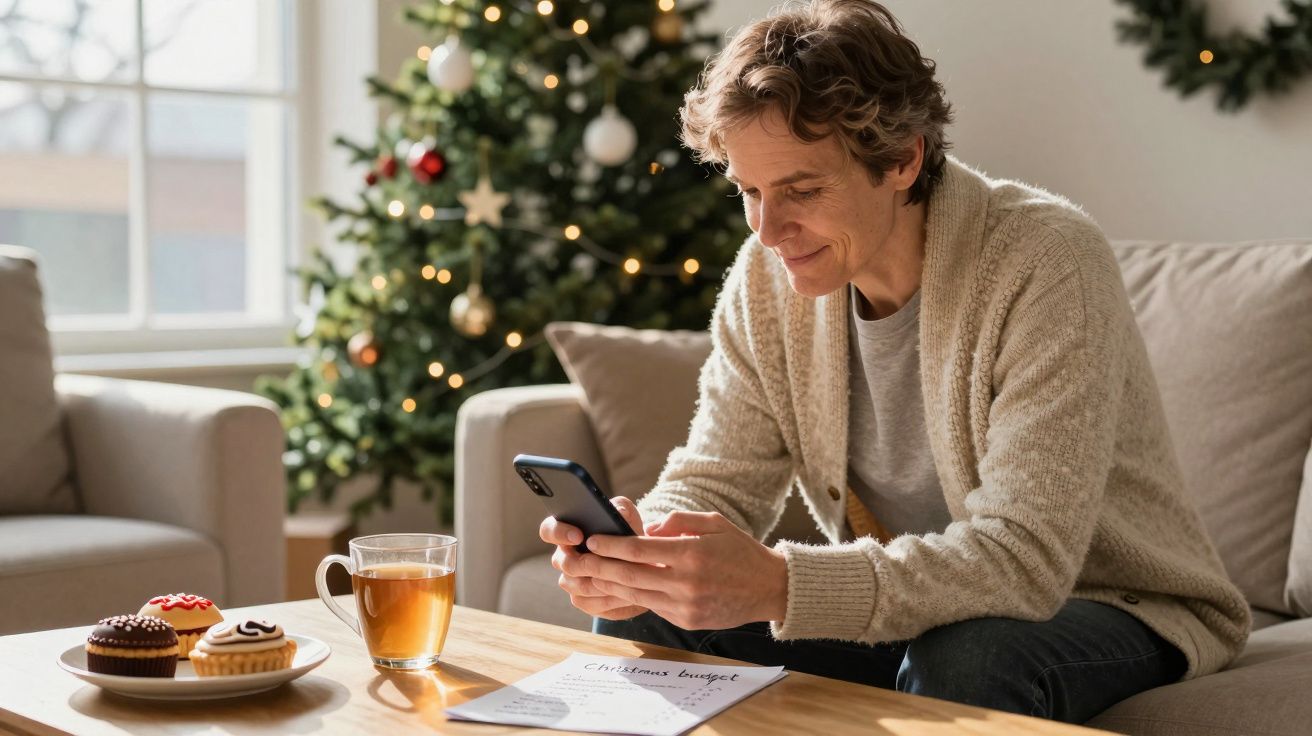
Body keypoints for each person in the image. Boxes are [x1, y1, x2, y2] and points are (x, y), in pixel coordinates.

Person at [539, 0, 1249, 724]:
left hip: (1108, 602)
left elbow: (1027, 560)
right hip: (920, 607)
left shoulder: (1048, 262)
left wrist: (781, 584)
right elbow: (716, 479)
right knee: (650, 617)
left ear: (904, 158)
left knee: (968, 657)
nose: (769, 229)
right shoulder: (765, 279)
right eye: (749, 192)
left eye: (802, 190)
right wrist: (642, 554)